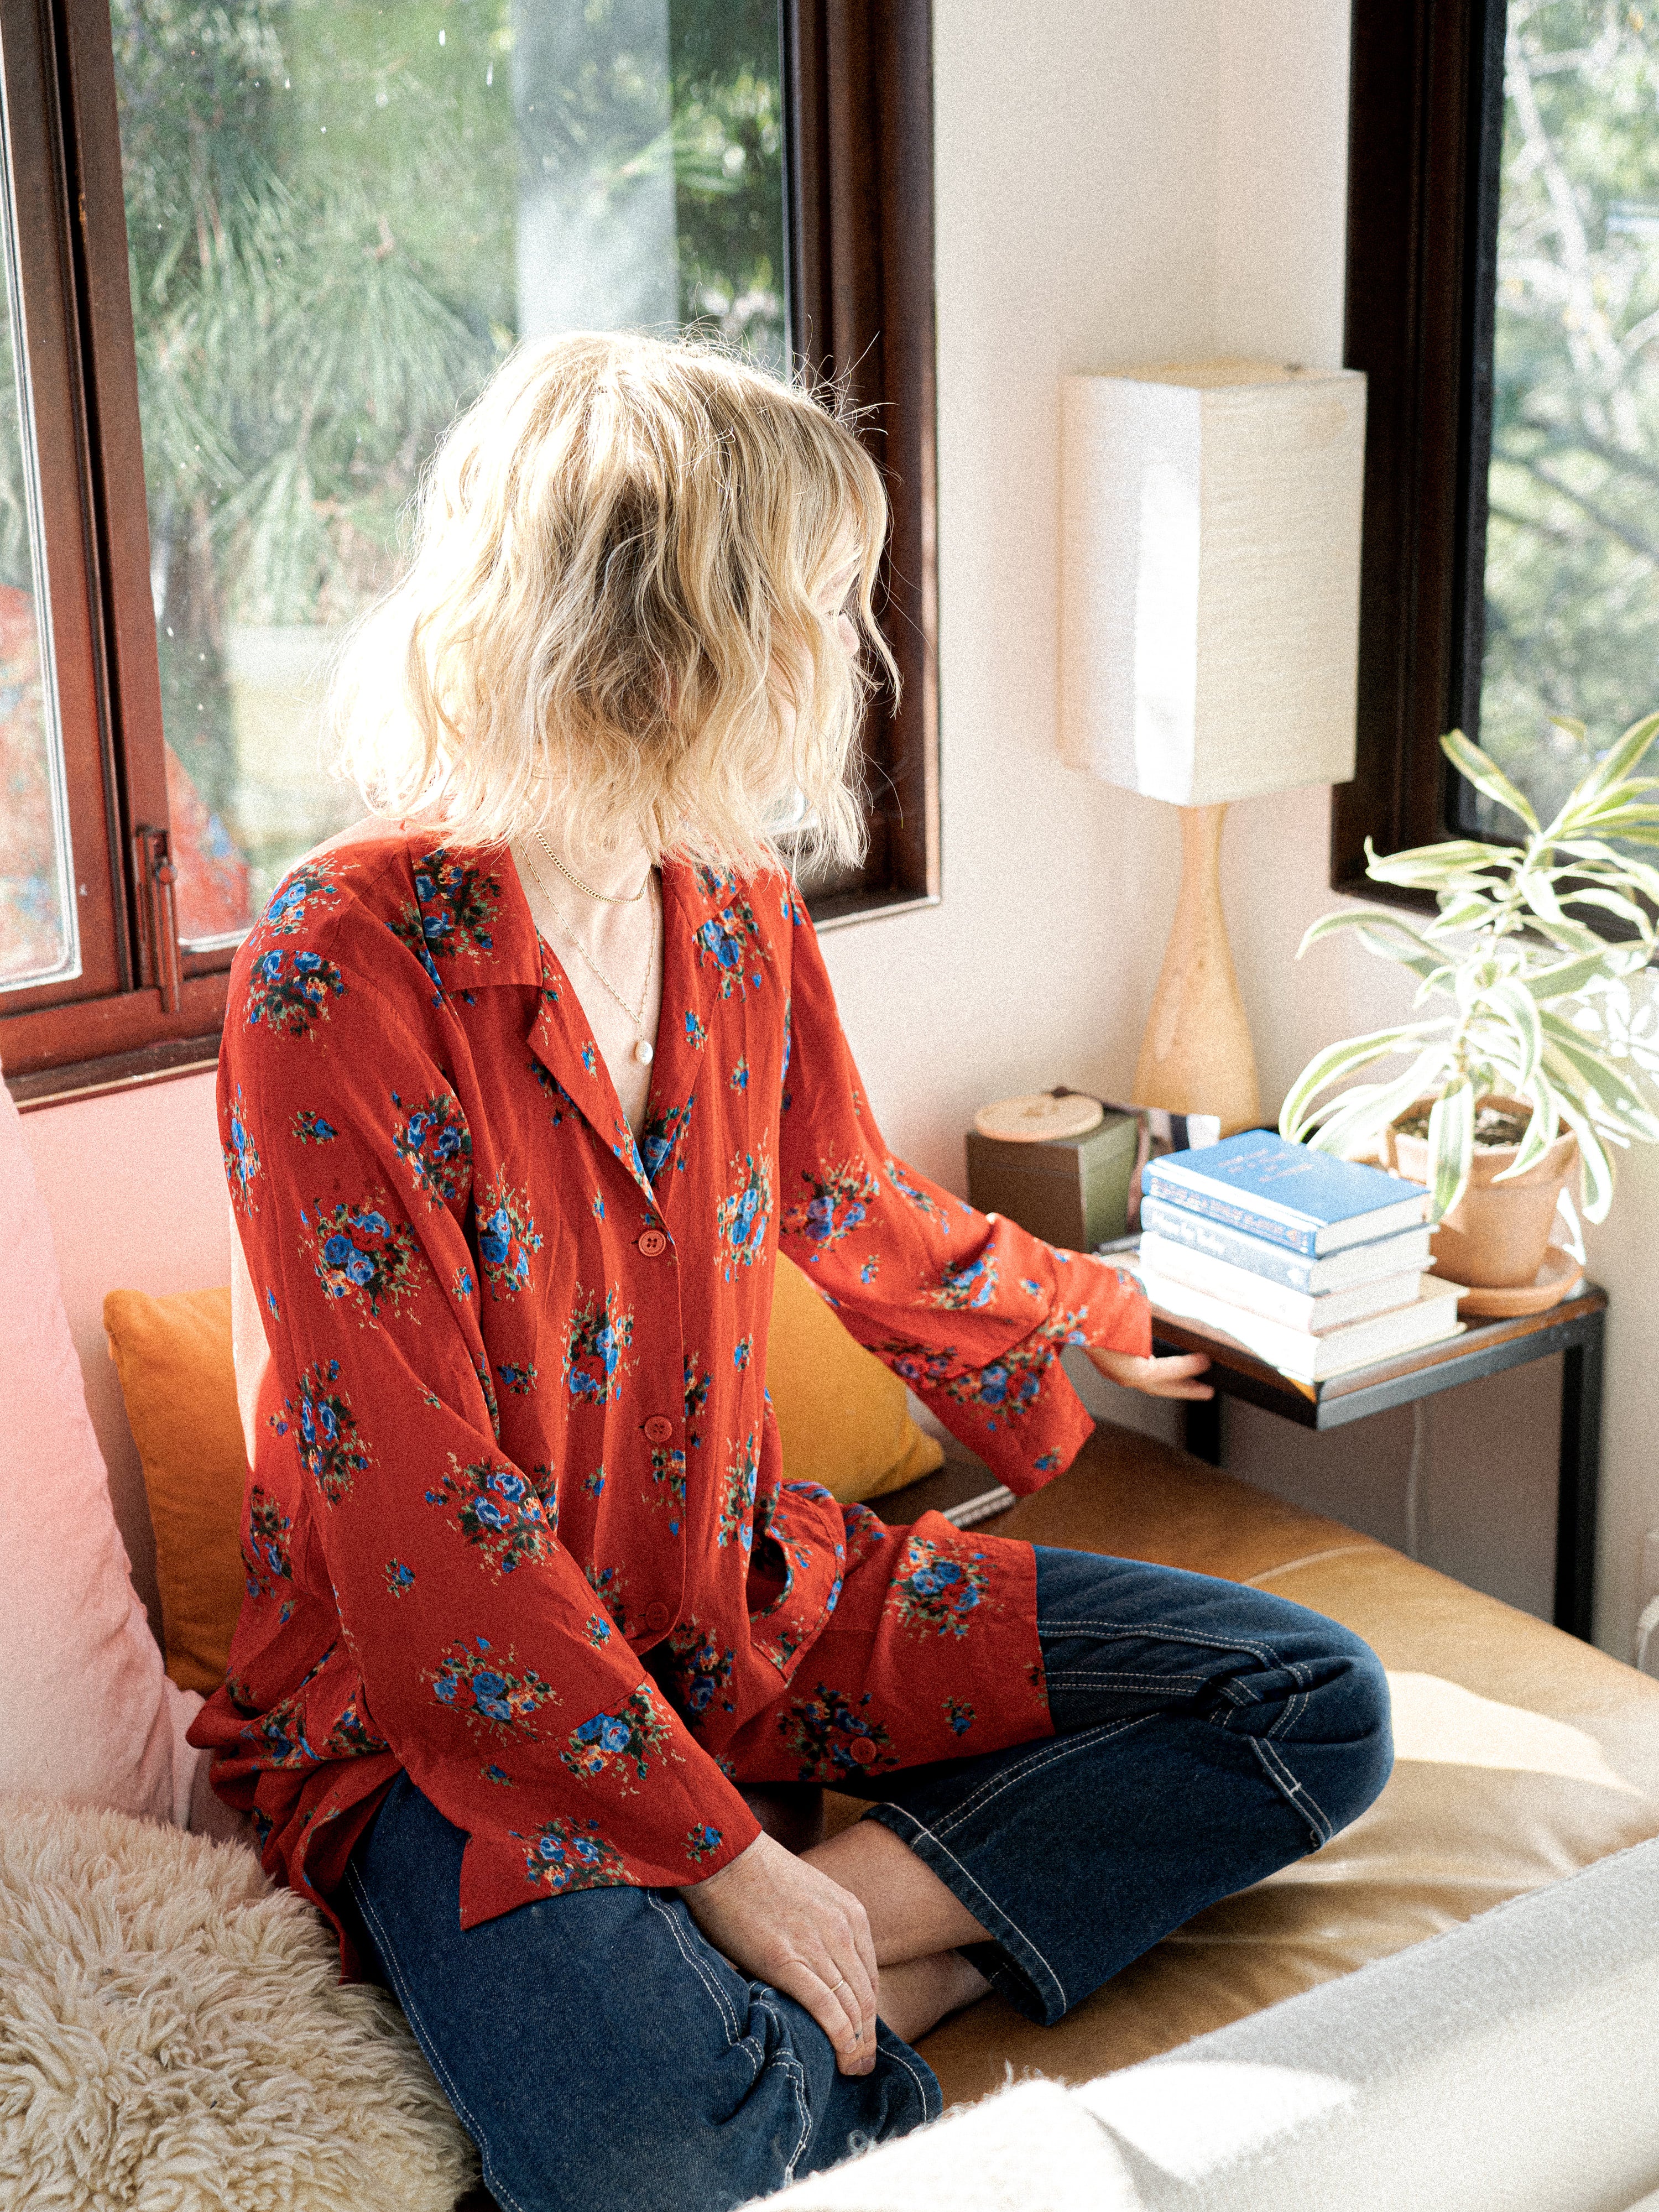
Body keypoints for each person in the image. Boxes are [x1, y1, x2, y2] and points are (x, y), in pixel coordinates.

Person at [192, 332, 1392, 2212]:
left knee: (1318, 1703)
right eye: (823, 602)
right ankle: (835, 1987)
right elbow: (422, 1529)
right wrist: (717, 1864)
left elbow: (843, 1198)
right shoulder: (332, 978)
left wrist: (1099, 1311)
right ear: (681, 630)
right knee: (646, 2152)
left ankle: (837, 1954)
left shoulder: (733, 908)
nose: (851, 651)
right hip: (458, 1715)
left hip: (739, 1601)